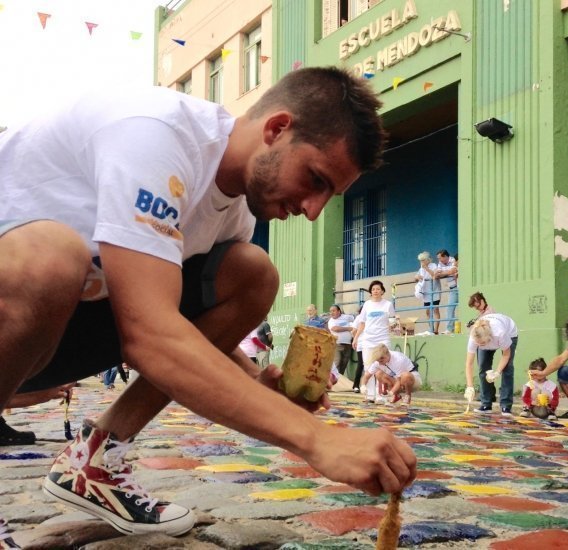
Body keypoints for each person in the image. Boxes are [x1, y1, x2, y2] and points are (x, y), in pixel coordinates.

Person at [0, 67, 415, 537]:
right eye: (315, 179)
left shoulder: (232, 212)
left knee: (253, 274)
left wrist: (257, 383)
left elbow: (181, 327)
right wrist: (317, 440)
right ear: (276, 129)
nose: (313, 210)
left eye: (329, 195)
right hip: (23, 302)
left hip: (57, 335)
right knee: (50, 256)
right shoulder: (155, 135)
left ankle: (93, 461)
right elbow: (151, 335)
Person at [463, 313, 518, 416]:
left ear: (489, 337)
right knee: (483, 367)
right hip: (488, 336)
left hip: (510, 332)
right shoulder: (474, 337)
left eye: (482, 344)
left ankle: (506, 405)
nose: (480, 346)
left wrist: (497, 372)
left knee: (507, 368)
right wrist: (469, 386)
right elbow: (469, 364)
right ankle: (486, 404)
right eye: (478, 344)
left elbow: (506, 355)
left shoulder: (500, 333)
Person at [351, 280, 396, 403]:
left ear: (382, 291)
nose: (375, 291)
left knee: (382, 366)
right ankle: (370, 394)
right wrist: (356, 338)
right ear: (371, 292)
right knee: (368, 366)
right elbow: (362, 323)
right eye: (373, 289)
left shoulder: (388, 304)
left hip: (383, 339)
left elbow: (392, 321)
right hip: (368, 339)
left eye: (378, 289)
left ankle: (380, 393)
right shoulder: (367, 305)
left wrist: (394, 325)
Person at [414, 251, 441, 335]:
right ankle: (431, 329)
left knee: (435, 310)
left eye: (423, 260)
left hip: (434, 291)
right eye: (420, 260)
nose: (421, 262)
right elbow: (415, 278)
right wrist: (417, 277)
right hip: (426, 292)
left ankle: (436, 329)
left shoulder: (434, 265)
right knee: (427, 311)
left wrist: (426, 268)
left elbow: (434, 275)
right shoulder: (420, 269)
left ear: (427, 260)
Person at [434, 250, 458, 334]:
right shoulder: (440, 264)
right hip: (452, 288)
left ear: (445, 256)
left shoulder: (453, 260)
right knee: (449, 308)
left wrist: (443, 272)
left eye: (440, 258)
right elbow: (436, 275)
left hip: (460, 287)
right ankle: (450, 329)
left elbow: (453, 271)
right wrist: (447, 272)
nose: (439, 260)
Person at [328, 305, 354, 375]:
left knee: (344, 363)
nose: (331, 313)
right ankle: (333, 379)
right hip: (337, 345)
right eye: (330, 311)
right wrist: (348, 328)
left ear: (339, 311)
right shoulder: (331, 321)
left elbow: (355, 319)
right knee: (337, 362)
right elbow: (335, 329)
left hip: (348, 345)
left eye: (333, 311)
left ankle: (340, 380)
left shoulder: (346, 317)